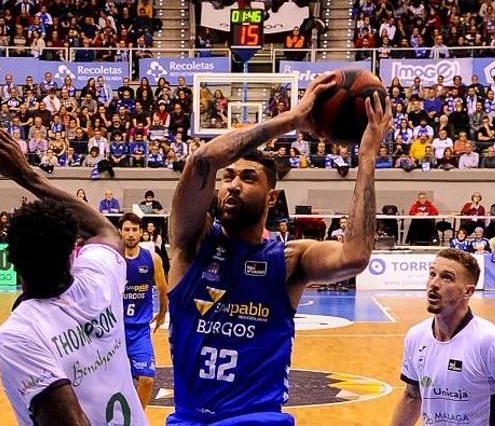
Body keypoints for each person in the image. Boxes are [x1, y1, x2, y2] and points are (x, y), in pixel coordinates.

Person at [165, 72, 389, 425]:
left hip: (259, 418)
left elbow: (355, 255)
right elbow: (202, 162)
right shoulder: (192, 243)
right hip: (190, 418)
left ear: (272, 197)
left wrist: (366, 158)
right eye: (229, 177)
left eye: (248, 178)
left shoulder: (289, 259)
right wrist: (291, 119)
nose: (233, 185)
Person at [0, 122, 148, 426]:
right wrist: (27, 175)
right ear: (73, 252)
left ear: (11, 260)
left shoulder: (18, 336)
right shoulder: (99, 277)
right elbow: (102, 228)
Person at [390, 248, 495, 425]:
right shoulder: (415, 337)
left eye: (446, 277)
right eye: (432, 274)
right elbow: (412, 395)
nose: (434, 283)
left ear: (468, 292)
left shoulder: (491, 342)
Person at [119, 213, 168, 409]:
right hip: (115, 330)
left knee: (147, 379)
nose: (131, 234)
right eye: (127, 229)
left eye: (134, 230)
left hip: (139, 330)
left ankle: (136, 421)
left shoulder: (152, 258)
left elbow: (163, 288)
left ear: (141, 232)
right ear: (120, 232)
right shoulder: (113, 258)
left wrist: (163, 313)